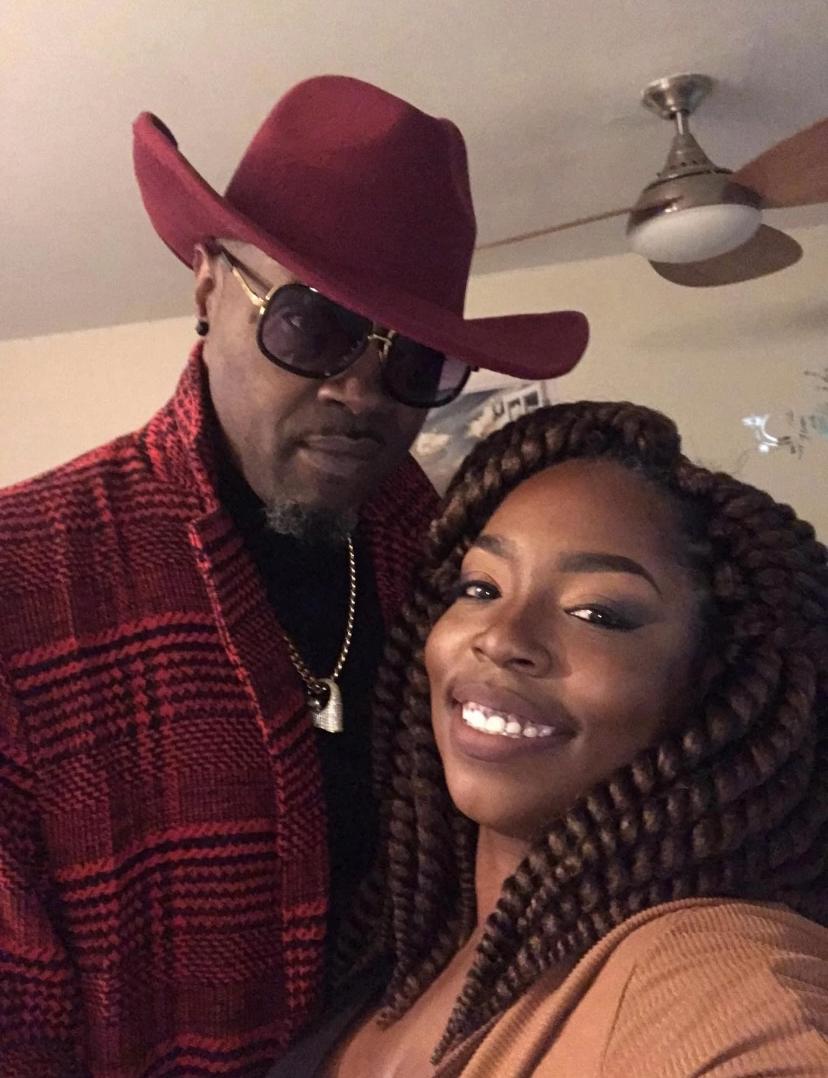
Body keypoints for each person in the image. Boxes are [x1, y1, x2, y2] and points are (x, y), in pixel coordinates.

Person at [0, 76, 589, 1075]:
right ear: (208, 288)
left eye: (415, 362)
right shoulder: (25, 576)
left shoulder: (454, 565)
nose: (360, 391)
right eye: (313, 327)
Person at [267, 400, 828, 1077]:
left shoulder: (727, 980)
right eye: (480, 588)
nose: (502, 637)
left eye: (596, 613)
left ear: (721, 683)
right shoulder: (402, 943)